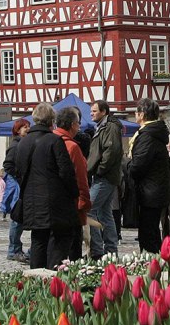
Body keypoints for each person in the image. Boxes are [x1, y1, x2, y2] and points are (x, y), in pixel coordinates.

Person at [9, 103, 79, 269]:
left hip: (31, 201)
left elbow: (18, 170)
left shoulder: (23, 143)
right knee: (61, 239)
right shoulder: (54, 141)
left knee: (38, 240)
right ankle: (53, 274)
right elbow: (66, 172)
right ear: (52, 120)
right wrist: (74, 193)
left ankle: (36, 278)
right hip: (55, 201)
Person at [125, 98, 170, 254]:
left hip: (150, 191)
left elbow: (138, 165)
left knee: (148, 234)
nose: (134, 115)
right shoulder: (153, 133)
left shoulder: (147, 136)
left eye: (136, 112)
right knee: (150, 231)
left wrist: (126, 164)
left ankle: (153, 266)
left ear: (142, 114)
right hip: (154, 189)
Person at [85, 101, 122, 259]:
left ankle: (98, 250)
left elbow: (111, 151)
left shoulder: (110, 127)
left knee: (89, 211)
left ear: (104, 111)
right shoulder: (102, 127)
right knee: (105, 213)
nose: (91, 113)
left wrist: (99, 170)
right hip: (105, 176)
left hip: (104, 176)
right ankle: (111, 251)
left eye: (94, 111)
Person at [54, 107, 92, 263]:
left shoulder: (48, 140)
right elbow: (80, 177)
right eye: (78, 123)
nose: (79, 127)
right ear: (73, 125)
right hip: (71, 204)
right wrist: (84, 201)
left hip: (50, 204)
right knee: (73, 246)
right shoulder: (72, 146)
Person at [0, 118, 30, 262]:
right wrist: (19, 177)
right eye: (25, 127)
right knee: (17, 218)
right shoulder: (15, 145)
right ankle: (13, 250)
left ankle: (15, 249)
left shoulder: (22, 143)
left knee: (19, 218)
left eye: (28, 126)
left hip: (20, 184)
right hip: (17, 185)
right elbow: (8, 165)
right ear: (18, 130)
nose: (27, 129)